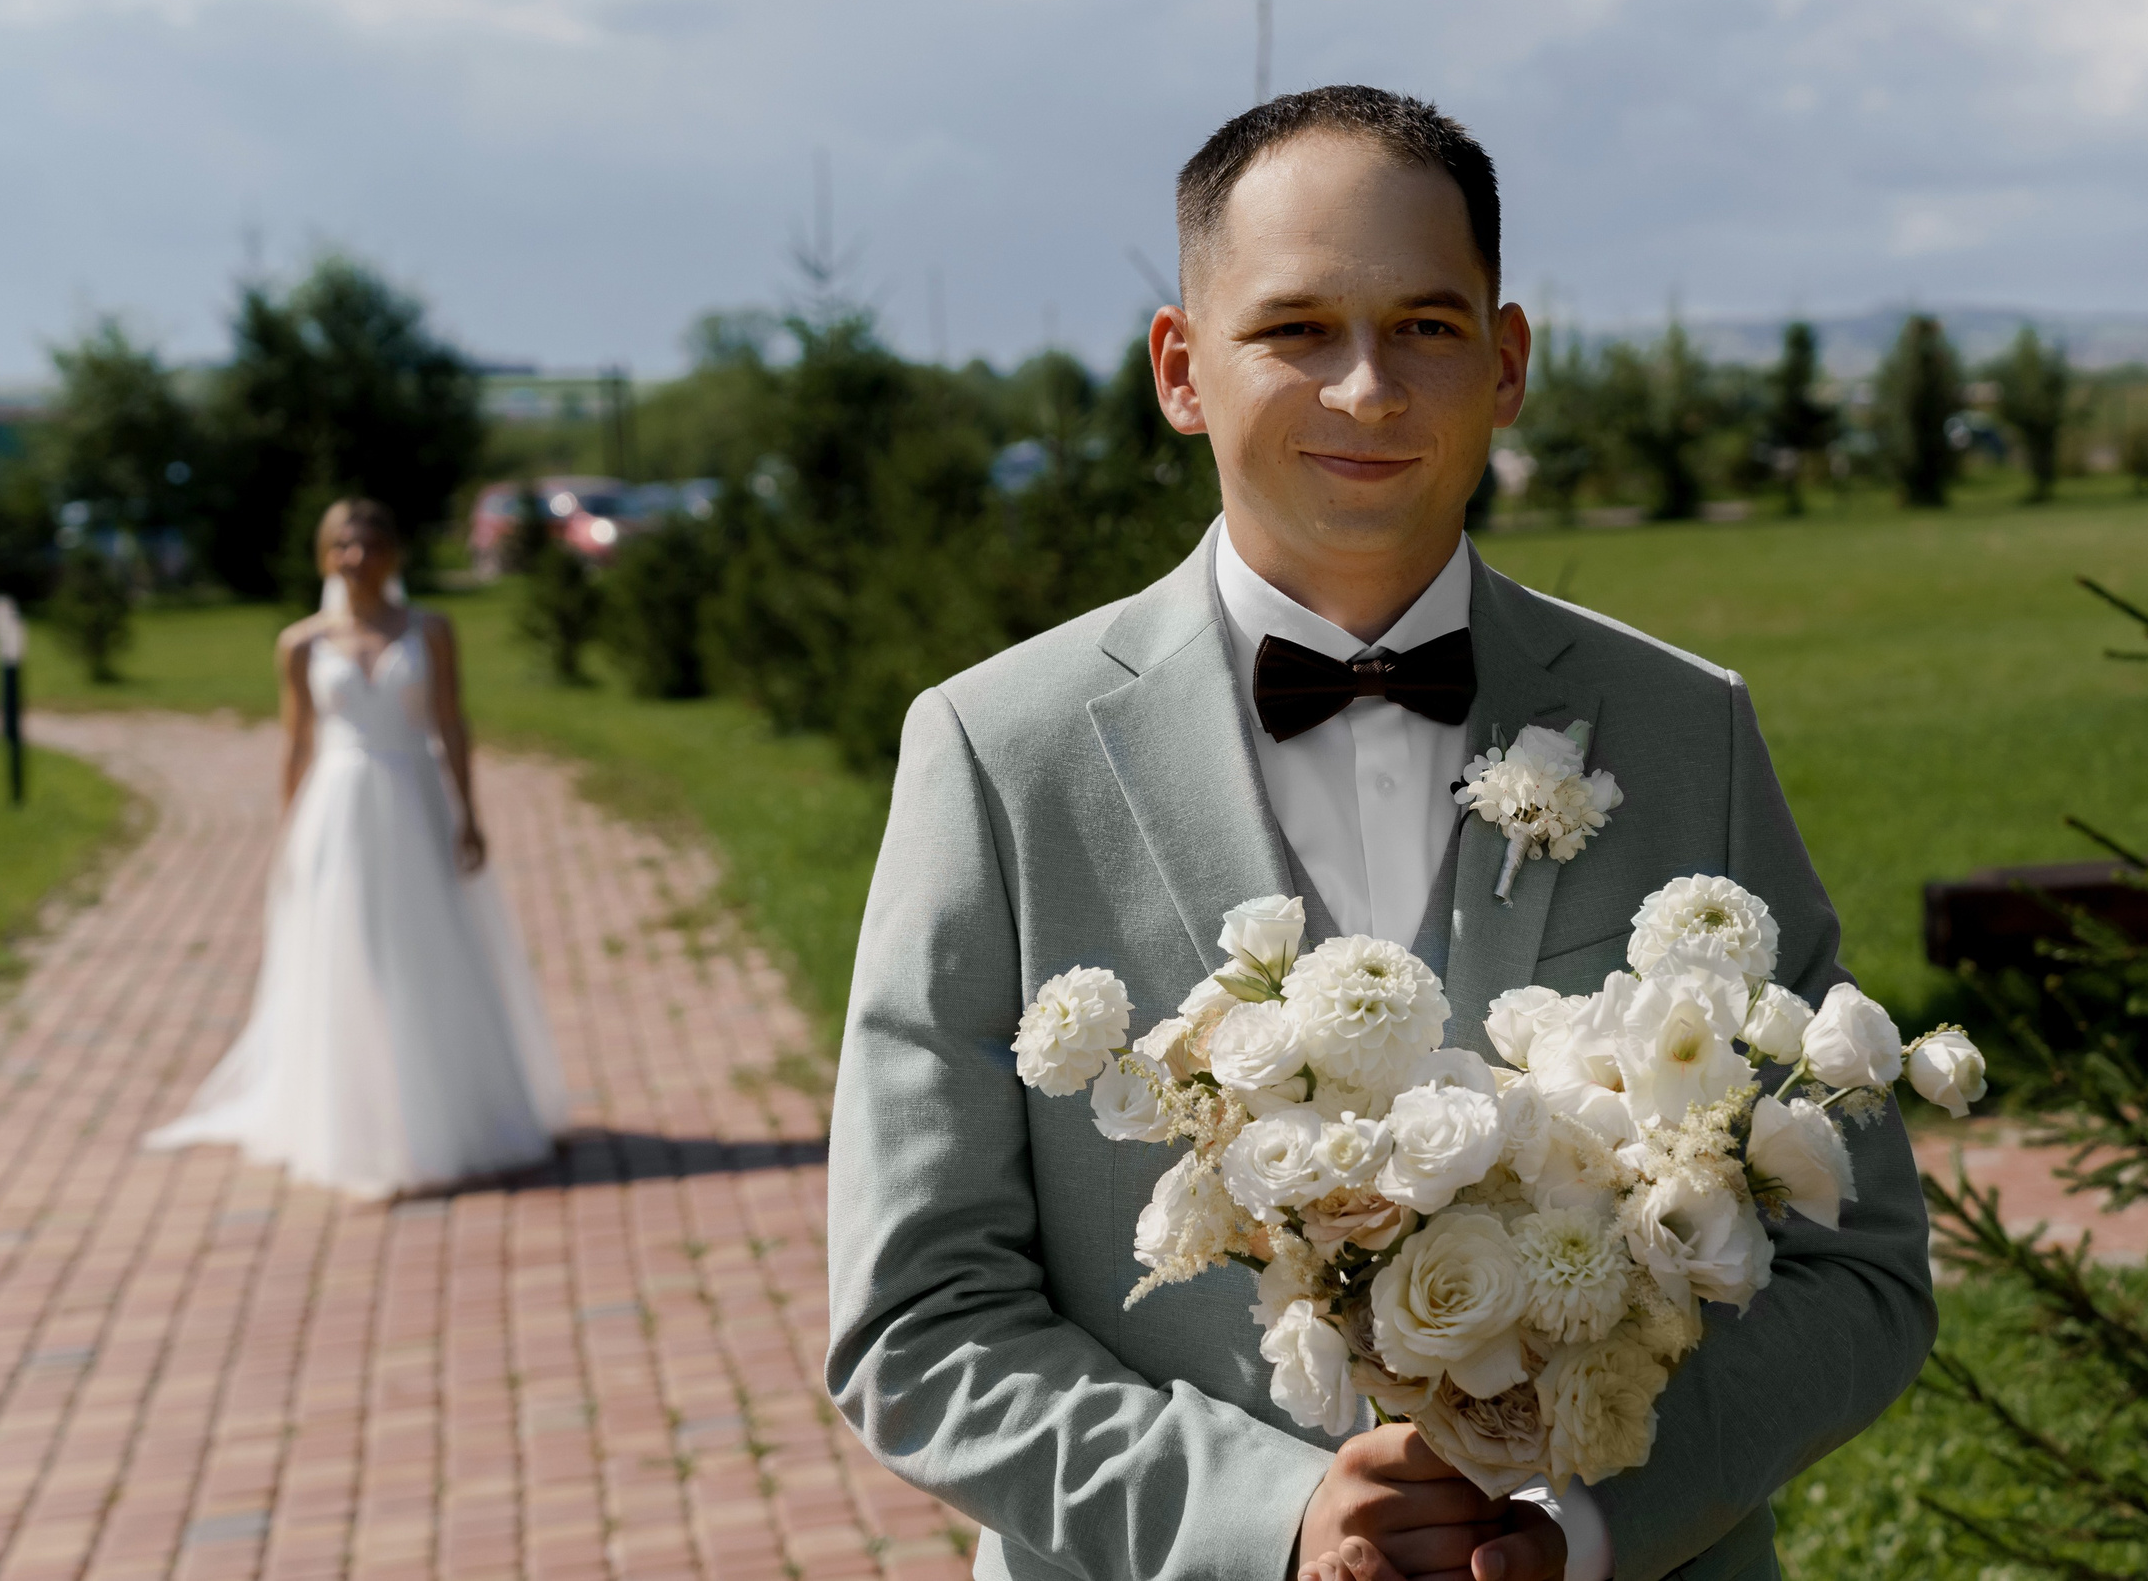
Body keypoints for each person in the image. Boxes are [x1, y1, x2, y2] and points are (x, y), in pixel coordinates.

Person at [826, 88, 1934, 1581]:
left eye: (1425, 324)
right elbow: (917, 1318)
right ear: (1182, 369)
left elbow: (1854, 1269)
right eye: (1294, 330)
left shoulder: (1688, 732)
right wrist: (1266, 1524)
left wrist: (1592, 1524)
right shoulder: (994, 754)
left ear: (1508, 360)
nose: (1366, 388)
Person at [147, 498, 568, 1199]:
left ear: (393, 553)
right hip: (337, 812)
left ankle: (453, 1115)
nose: (357, 557)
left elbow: (453, 722)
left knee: (429, 953)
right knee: (350, 954)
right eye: (344, 545)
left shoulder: (431, 630)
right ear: (325, 556)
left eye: (371, 543)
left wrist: (469, 813)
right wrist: (286, 831)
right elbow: (295, 741)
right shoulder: (301, 643)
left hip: (415, 801)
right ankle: (363, 1128)